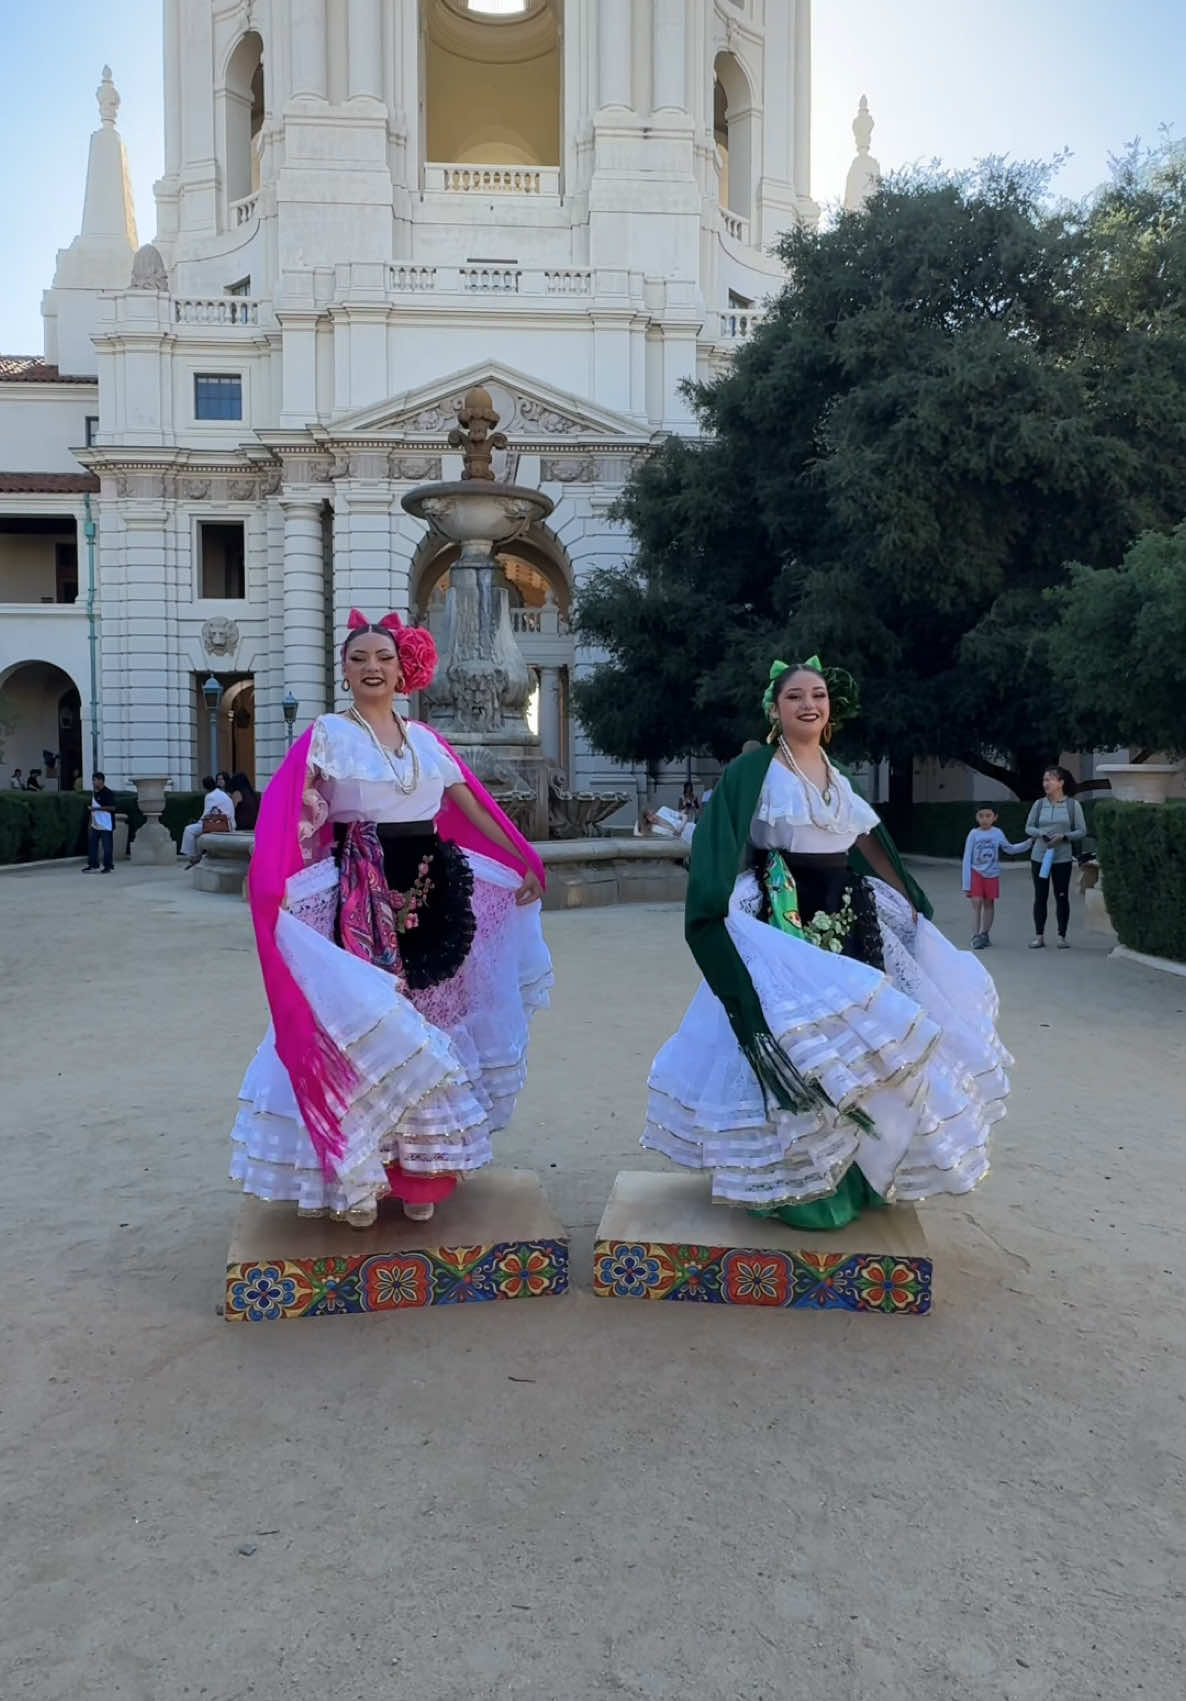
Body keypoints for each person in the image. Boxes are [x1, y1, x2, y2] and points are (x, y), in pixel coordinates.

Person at [642, 657, 1011, 1229]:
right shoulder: (754, 771)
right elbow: (725, 842)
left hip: (849, 914)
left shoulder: (840, 776)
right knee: (801, 1043)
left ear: (829, 708)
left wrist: (911, 907)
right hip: (786, 917)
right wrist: (716, 913)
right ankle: (798, 1182)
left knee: (860, 1044)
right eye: (794, 697)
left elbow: (870, 843)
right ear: (775, 708)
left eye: (817, 695)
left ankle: (858, 1170)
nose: (808, 704)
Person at [230, 609, 552, 1228]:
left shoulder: (428, 741)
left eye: (383, 657)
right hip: (358, 891)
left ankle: (421, 1173)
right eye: (359, 659)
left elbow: (473, 806)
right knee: (368, 1024)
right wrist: (279, 877)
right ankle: (361, 1171)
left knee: (431, 1022)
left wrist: (523, 856)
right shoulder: (326, 735)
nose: (372, 667)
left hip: (433, 888)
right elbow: (293, 811)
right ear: (345, 672)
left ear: (403, 669)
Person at [1025, 766, 1087, 949]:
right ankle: (1039, 936)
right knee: (1040, 896)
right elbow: (1028, 827)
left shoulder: (1072, 805)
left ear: (1061, 783)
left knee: (1061, 896)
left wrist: (1064, 837)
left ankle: (1061, 936)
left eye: (1050, 779)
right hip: (1040, 856)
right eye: (1044, 780)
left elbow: (1082, 831)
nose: (1046, 783)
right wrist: (1041, 833)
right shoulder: (1038, 804)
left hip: (1062, 857)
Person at [961, 805, 1031, 948]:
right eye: (981, 816)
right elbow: (967, 857)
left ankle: (984, 934)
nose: (984, 819)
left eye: (988, 816)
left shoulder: (997, 833)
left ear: (995, 817)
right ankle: (975, 936)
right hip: (976, 873)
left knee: (989, 904)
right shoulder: (973, 834)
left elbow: (1009, 849)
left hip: (992, 874)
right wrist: (966, 884)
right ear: (977, 817)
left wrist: (1028, 843)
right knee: (976, 903)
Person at [180, 775, 237, 866]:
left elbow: (206, 814)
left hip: (220, 824)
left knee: (189, 830)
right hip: (229, 823)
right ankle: (197, 855)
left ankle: (193, 856)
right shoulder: (221, 793)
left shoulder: (210, 796)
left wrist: (198, 822)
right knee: (196, 832)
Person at [82, 771, 118, 873]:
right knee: (92, 846)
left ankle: (108, 866)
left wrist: (96, 809)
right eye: (93, 780)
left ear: (101, 781)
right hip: (95, 824)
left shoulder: (108, 793)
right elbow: (92, 810)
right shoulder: (94, 793)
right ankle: (93, 865)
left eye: (95, 780)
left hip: (106, 825)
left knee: (107, 847)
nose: (93, 782)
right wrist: (90, 823)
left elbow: (112, 807)